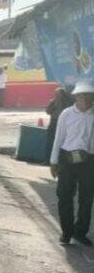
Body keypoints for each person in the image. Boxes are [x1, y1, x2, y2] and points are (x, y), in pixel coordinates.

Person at [49, 81, 94, 247]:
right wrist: (53, 162)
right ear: (78, 96)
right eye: (86, 96)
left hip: (89, 161)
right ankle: (66, 233)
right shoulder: (66, 114)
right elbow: (58, 139)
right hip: (67, 159)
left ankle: (80, 231)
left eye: (91, 97)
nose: (89, 100)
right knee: (65, 196)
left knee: (87, 198)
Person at [45, 86, 74, 162]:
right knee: (53, 142)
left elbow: (48, 111)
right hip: (54, 124)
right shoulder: (64, 102)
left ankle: (53, 160)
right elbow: (48, 111)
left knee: (57, 142)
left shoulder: (65, 103)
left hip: (58, 124)